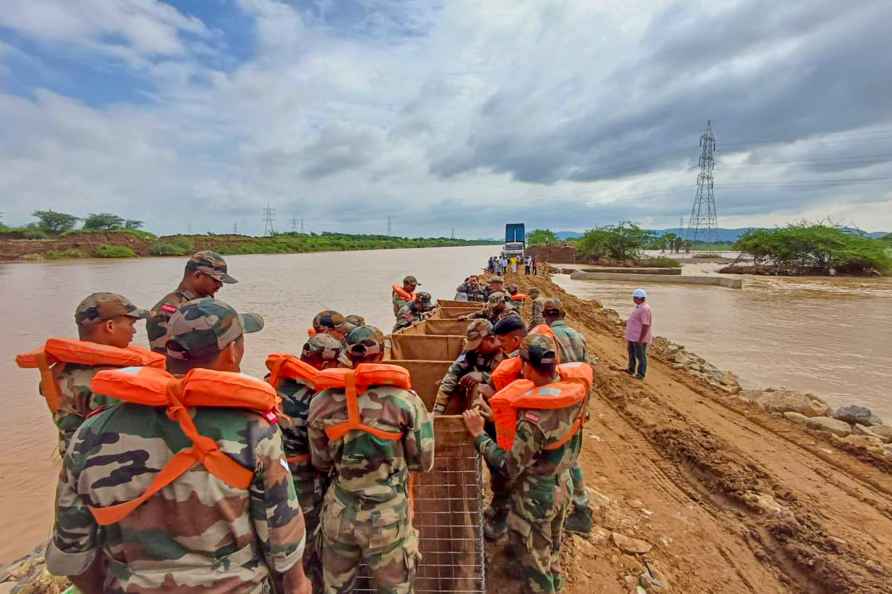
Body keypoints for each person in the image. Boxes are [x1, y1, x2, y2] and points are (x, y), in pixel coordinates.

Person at [47, 298, 310, 594]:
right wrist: (298, 583)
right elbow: (281, 540)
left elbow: (70, 555)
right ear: (233, 350)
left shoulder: (90, 433)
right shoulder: (255, 431)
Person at [309, 325, 435, 594]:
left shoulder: (321, 401)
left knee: (335, 588)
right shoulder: (405, 402)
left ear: (348, 357)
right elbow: (423, 461)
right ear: (382, 356)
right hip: (388, 516)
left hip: (339, 512)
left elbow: (319, 461)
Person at [462, 334, 592, 594]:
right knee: (550, 548)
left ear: (527, 367)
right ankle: (555, 584)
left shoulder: (534, 420)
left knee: (535, 562)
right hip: (562, 484)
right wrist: (496, 416)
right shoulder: (574, 395)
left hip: (536, 496)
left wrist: (479, 435)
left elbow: (508, 466)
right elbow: (545, 440)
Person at [16, 293, 158, 455]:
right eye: (131, 324)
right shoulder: (108, 379)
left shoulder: (60, 370)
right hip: (104, 463)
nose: (133, 331)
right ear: (110, 326)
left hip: (75, 460)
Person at [267, 334, 346, 594]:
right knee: (307, 546)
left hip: (267, 479)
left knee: (273, 542)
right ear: (325, 364)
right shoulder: (317, 396)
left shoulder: (269, 384)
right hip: (302, 483)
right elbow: (322, 451)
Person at [541, 298, 593, 534]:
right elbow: (587, 372)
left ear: (545, 316)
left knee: (563, 458)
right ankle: (581, 506)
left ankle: (577, 508)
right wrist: (585, 406)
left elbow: (544, 375)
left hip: (558, 403)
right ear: (564, 314)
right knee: (572, 454)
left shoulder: (546, 337)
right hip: (578, 402)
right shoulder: (578, 337)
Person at [146, 250, 237, 352]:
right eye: (216, 280)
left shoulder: (206, 302)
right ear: (197, 275)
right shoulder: (165, 311)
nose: (220, 285)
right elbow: (166, 359)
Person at [433, 320, 504, 415]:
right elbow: (453, 374)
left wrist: (484, 376)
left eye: (478, 346)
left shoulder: (507, 350)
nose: (475, 350)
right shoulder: (471, 352)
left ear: (490, 339)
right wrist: (438, 411)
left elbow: (511, 382)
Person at [626, 288, 653, 380]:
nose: (633, 299)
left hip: (639, 338)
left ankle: (641, 374)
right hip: (633, 336)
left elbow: (646, 325)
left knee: (641, 356)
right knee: (632, 353)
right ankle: (631, 369)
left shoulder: (645, 309)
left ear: (639, 298)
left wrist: (641, 339)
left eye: (634, 298)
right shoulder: (639, 307)